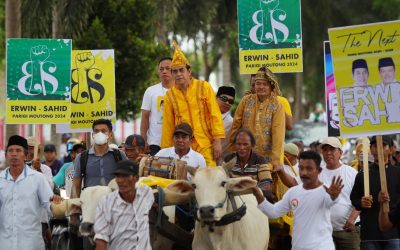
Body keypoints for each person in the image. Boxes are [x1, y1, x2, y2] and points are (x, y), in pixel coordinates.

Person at [276, 137, 360, 249]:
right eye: (325, 150)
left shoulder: (351, 172)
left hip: (347, 231)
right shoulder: (317, 171)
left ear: (340, 152)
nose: (328, 153)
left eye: (332, 149)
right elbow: (293, 183)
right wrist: (280, 171)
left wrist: (352, 219)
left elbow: (361, 197)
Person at [253, 150, 343, 250]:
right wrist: (257, 194)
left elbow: (332, 201)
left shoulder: (326, 191)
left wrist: (334, 196)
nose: (304, 173)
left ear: (319, 170)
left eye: (309, 169)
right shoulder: (293, 192)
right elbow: (273, 212)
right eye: (301, 168)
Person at [161, 41, 225, 166]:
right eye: (175, 71)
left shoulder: (204, 87)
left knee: (208, 176)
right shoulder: (170, 95)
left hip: (205, 143)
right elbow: (167, 125)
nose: (178, 74)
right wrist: (166, 151)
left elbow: (215, 115)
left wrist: (217, 141)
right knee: (183, 178)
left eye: (181, 70)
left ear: (188, 72)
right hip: (182, 145)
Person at [72, 119, 128, 250]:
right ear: (92, 135)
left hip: (115, 210)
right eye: (96, 131)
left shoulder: (119, 156)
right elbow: (76, 186)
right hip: (90, 212)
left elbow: (127, 182)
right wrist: (74, 210)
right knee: (89, 245)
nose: (99, 134)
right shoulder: (82, 157)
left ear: (110, 134)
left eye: (103, 131)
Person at [0, 135, 62, 250]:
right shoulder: (1, 179)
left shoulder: (38, 178)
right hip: (5, 244)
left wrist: (56, 204)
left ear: (25, 155)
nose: (14, 154)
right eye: (11, 151)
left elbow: (49, 204)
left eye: (18, 150)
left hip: (31, 244)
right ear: (6, 155)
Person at [230, 66, 285, 169]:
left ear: (271, 86)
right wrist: (232, 149)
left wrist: (276, 160)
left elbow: (278, 134)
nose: (261, 87)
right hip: (245, 154)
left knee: (266, 183)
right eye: (258, 83)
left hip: (267, 158)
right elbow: (236, 126)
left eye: (265, 84)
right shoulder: (246, 100)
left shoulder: (277, 105)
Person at [350, 135, 400, 250]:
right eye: (374, 146)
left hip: (394, 234)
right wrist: (362, 202)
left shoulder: (398, 173)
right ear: (371, 150)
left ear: (391, 149)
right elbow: (354, 198)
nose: (379, 149)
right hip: (370, 234)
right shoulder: (363, 175)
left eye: (383, 145)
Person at [94, 160, 154, 250]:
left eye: (125, 176)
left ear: (136, 178)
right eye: (118, 176)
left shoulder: (146, 193)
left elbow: (153, 201)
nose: (120, 181)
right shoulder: (106, 203)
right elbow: (101, 239)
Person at [224, 129, 273, 201]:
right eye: (238, 144)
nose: (241, 148)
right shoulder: (228, 159)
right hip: (234, 199)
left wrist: (246, 189)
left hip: (253, 198)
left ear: (252, 145)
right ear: (235, 145)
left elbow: (266, 186)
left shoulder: (260, 160)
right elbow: (223, 182)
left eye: (245, 144)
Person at [141, 57, 174, 156]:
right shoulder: (150, 91)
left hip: (176, 143)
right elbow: (145, 117)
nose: (164, 71)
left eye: (168, 68)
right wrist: (143, 140)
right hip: (155, 143)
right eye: (161, 69)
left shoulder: (180, 92)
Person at [26, 136, 54, 250]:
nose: (29, 151)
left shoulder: (45, 169)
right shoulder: (18, 168)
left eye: (32, 148)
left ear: (37, 151)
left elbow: (49, 188)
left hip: (39, 217)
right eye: (27, 148)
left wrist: (38, 170)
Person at [216, 85, 236, 157]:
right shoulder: (205, 115)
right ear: (216, 98)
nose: (227, 103)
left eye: (231, 101)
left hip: (219, 163)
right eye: (224, 99)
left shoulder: (232, 123)